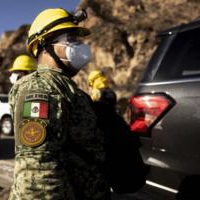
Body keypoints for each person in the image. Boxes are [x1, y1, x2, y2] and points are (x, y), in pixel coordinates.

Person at [8, 8, 146, 199]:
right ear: (45, 45)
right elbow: (37, 174)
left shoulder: (68, 89)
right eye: (71, 39)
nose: (79, 46)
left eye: (78, 40)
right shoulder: (39, 87)